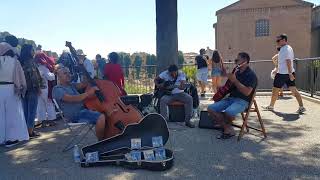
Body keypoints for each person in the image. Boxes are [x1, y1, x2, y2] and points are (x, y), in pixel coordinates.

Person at [207, 52, 257, 139]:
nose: (235, 62)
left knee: (228, 112)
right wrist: (221, 90)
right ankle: (227, 127)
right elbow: (229, 87)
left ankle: (225, 127)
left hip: (243, 101)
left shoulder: (251, 75)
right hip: (231, 99)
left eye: (237, 60)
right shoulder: (236, 73)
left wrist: (235, 81)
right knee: (211, 108)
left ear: (244, 61)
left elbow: (247, 92)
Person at [52, 67, 106, 140]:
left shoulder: (71, 85)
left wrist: (85, 73)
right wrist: (88, 93)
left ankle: (109, 137)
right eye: (65, 73)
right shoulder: (57, 89)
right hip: (75, 115)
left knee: (106, 113)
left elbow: (83, 84)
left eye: (69, 73)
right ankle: (102, 143)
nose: (68, 75)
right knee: (101, 117)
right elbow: (72, 99)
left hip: (83, 111)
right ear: (59, 77)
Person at [263, 34, 306, 114]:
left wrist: (289, 73)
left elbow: (288, 61)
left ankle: (271, 106)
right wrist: (280, 70)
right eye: (277, 40)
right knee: (293, 90)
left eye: (278, 40)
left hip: (283, 74)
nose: (277, 42)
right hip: (286, 72)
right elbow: (282, 61)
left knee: (275, 90)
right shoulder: (285, 48)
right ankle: (301, 107)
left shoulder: (286, 49)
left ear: (284, 40)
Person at [0, 42, 29, 147]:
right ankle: (11, 138)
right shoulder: (15, 62)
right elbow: (21, 78)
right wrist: (22, 88)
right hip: (12, 89)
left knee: (1, 115)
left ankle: (1, 138)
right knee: (13, 115)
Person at [19, 44, 43, 138]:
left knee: (25, 111)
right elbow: (34, 77)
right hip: (32, 89)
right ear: (29, 51)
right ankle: (30, 132)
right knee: (32, 111)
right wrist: (38, 88)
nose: (34, 52)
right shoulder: (30, 62)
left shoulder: (20, 62)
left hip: (23, 90)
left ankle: (25, 131)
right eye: (32, 50)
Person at [34, 52, 56, 127]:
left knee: (40, 105)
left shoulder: (35, 67)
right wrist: (54, 73)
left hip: (37, 89)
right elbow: (50, 77)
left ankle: (42, 121)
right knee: (49, 104)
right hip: (45, 89)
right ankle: (51, 120)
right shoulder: (44, 68)